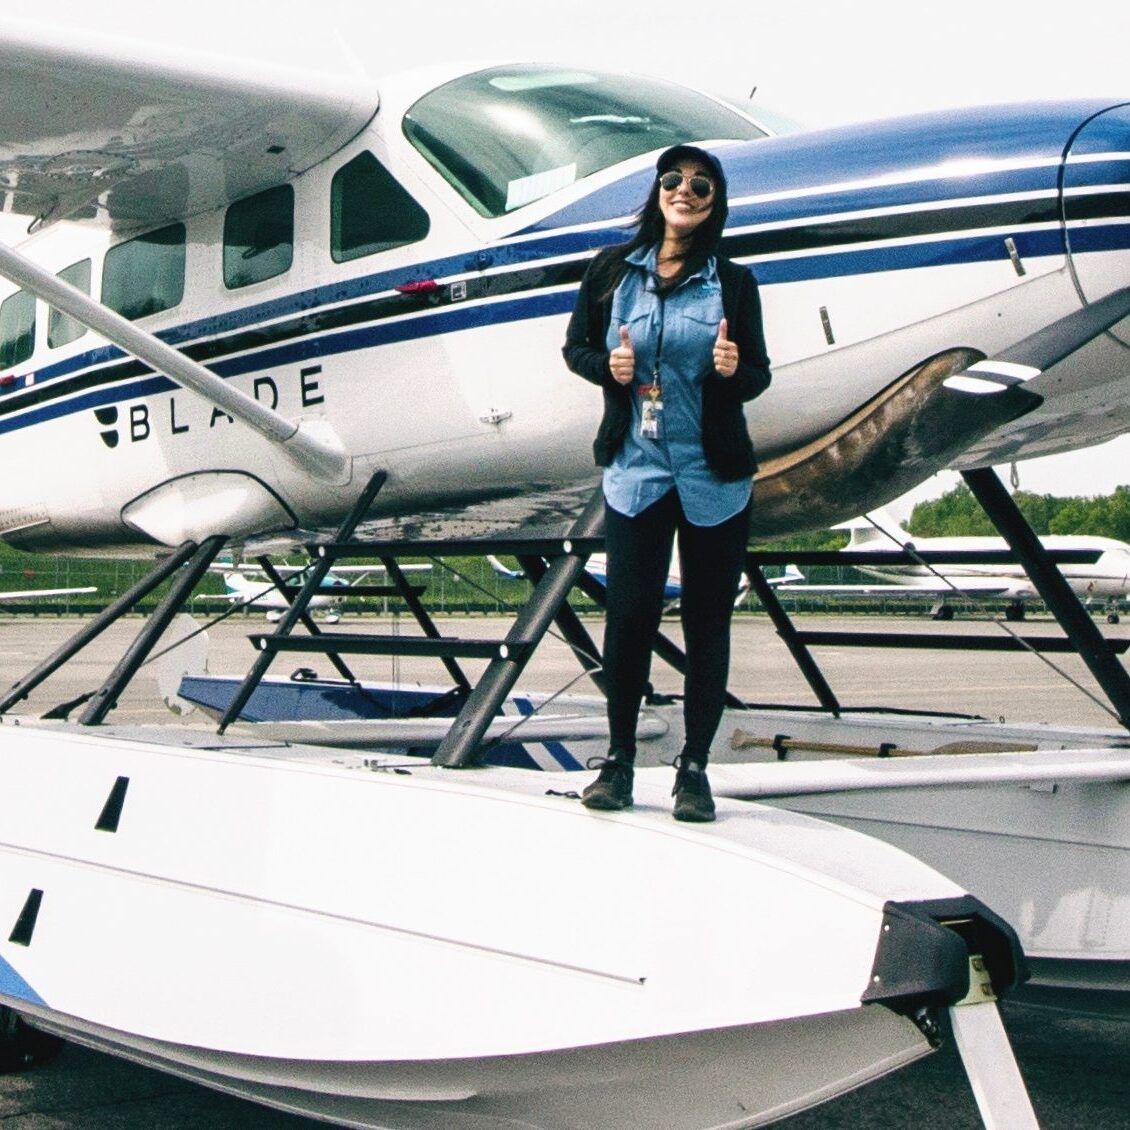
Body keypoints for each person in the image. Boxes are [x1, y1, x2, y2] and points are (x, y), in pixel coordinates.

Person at [562, 143, 771, 822]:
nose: (685, 190)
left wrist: (735, 368)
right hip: (637, 468)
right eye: (673, 180)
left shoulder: (735, 283)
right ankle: (618, 762)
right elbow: (576, 349)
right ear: (657, 191)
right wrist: (609, 369)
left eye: (700, 184)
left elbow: (756, 377)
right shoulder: (609, 272)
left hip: (712, 473)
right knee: (629, 617)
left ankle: (695, 771)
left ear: (715, 202)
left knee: (709, 624)